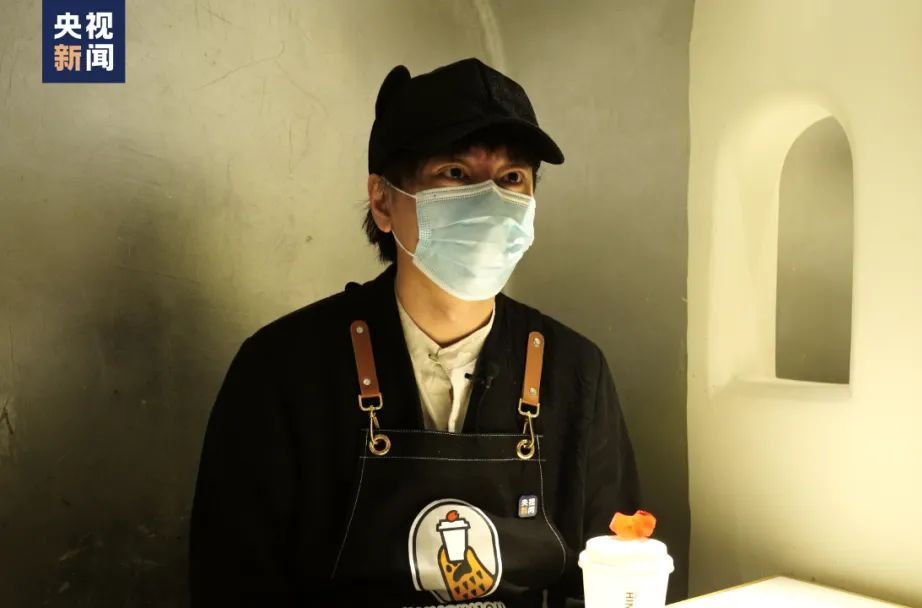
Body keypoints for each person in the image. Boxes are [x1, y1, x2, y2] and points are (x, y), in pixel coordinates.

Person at [188, 57, 640, 608]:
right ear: (383, 201)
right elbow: (233, 584)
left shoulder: (576, 372)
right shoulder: (281, 371)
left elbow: (617, 570)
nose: (492, 201)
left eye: (512, 179)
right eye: (455, 173)